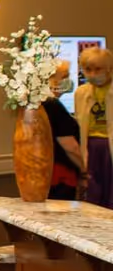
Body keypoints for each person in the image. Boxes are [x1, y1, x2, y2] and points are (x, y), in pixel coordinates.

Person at [78, 46, 113, 207]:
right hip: (91, 145)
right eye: (88, 69)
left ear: (108, 69)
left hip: (109, 144)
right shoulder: (81, 92)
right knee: (93, 193)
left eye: (98, 69)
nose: (92, 74)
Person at [44, 60, 83, 200]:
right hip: (61, 175)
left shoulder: (39, 102)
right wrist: (85, 169)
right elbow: (70, 146)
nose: (68, 80)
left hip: (46, 173)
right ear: (51, 78)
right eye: (64, 76)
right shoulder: (52, 105)